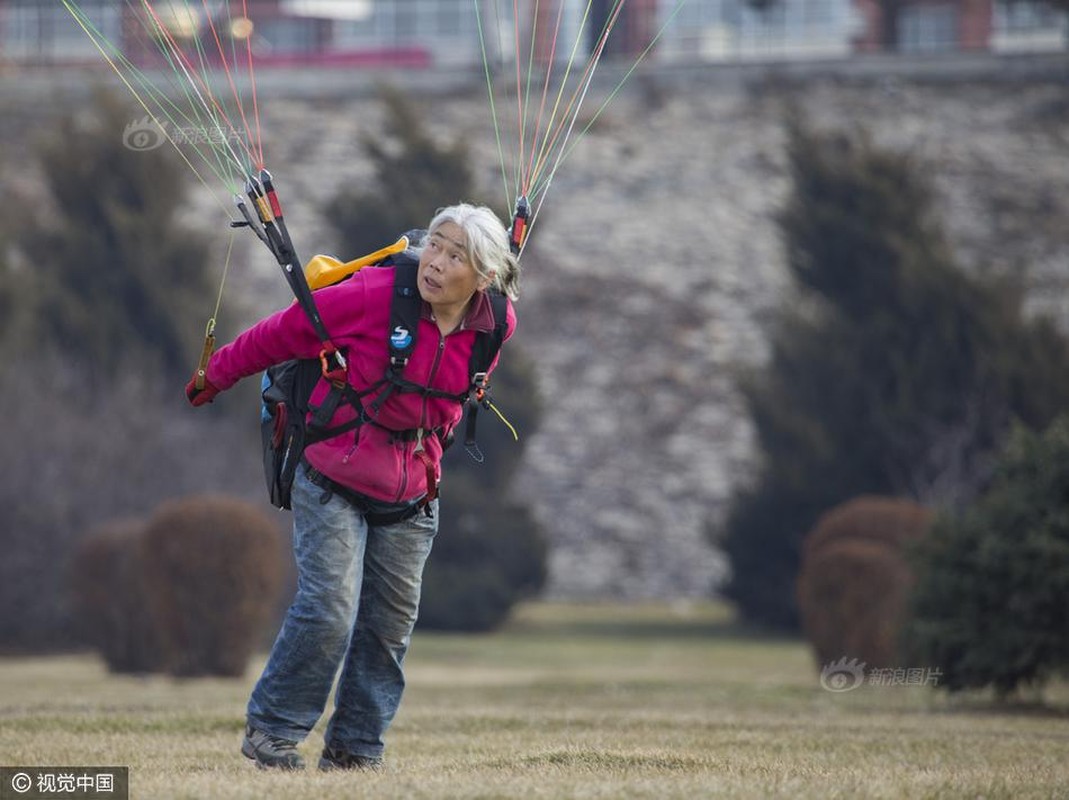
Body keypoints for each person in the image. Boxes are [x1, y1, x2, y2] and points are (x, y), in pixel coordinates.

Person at [185, 203, 519, 771]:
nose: (434, 262)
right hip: (333, 475)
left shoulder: (496, 324)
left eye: (454, 255)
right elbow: (279, 334)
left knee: (388, 628)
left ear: (483, 278)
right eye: (434, 244)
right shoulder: (373, 294)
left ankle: (355, 750)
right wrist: (214, 374)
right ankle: (273, 732)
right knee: (330, 609)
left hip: (414, 491)